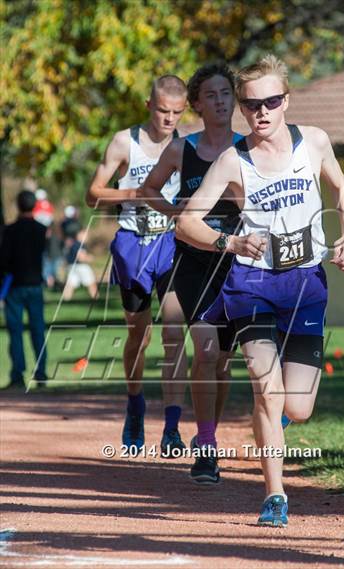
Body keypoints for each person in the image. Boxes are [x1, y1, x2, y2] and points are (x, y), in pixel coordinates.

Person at [176, 55, 344, 526]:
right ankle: (274, 494)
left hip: (306, 286)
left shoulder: (313, 141)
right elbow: (186, 222)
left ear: (286, 100)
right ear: (242, 107)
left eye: (271, 101)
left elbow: (341, 185)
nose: (262, 111)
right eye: (251, 103)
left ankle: (273, 429)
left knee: (297, 405)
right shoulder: (233, 162)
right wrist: (229, 241)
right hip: (251, 285)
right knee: (266, 390)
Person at [140, 63, 242, 484]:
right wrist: (175, 211)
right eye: (212, 96)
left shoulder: (247, 148)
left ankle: (210, 434)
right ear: (197, 105)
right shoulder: (182, 149)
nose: (220, 102)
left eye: (226, 94)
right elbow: (148, 189)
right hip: (192, 261)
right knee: (205, 352)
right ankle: (205, 447)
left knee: (222, 364)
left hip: (236, 264)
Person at [86, 75, 188, 457]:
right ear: (149, 105)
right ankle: (134, 403)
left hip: (173, 243)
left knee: (175, 333)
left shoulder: (184, 145)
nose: (169, 119)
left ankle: (173, 428)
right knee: (139, 336)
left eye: (177, 113)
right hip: (133, 244)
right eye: (163, 111)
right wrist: (134, 193)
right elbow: (92, 194)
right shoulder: (123, 141)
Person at [0, 190, 48, 388]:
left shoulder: (10, 231)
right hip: (35, 285)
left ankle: (18, 374)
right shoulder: (41, 229)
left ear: (18, 205)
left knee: (16, 331)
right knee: (38, 330)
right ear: (34, 205)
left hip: (14, 287)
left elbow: (4, 261)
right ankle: (41, 372)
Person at [63, 228, 98, 301]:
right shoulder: (80, 244)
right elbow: (81, 257)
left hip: (71, 267)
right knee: (92, 283)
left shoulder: (74, 244)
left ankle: (66, 301)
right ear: (80, 235)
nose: (87, 236)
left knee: (70, 285)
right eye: (86, 234)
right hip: (81, 267)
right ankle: (96, 299)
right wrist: (91, 258)